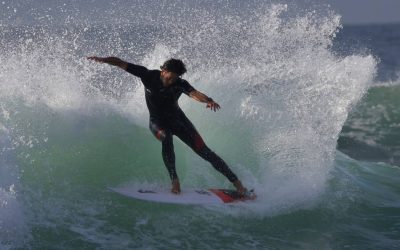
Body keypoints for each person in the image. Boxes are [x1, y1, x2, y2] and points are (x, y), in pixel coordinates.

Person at [87, 56, 250, 196]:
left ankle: (238, 184)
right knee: (166, 138)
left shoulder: (180, 83)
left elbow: (194, 93)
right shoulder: (148, 75)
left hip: (179, 121)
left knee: (205, 151)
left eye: (175, 78)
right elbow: (122, 63)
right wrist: (103, 60)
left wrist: (208, 100)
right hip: (157, 122)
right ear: (163, 70)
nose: (171, 81)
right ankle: (174, 180)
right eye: (169, 77)